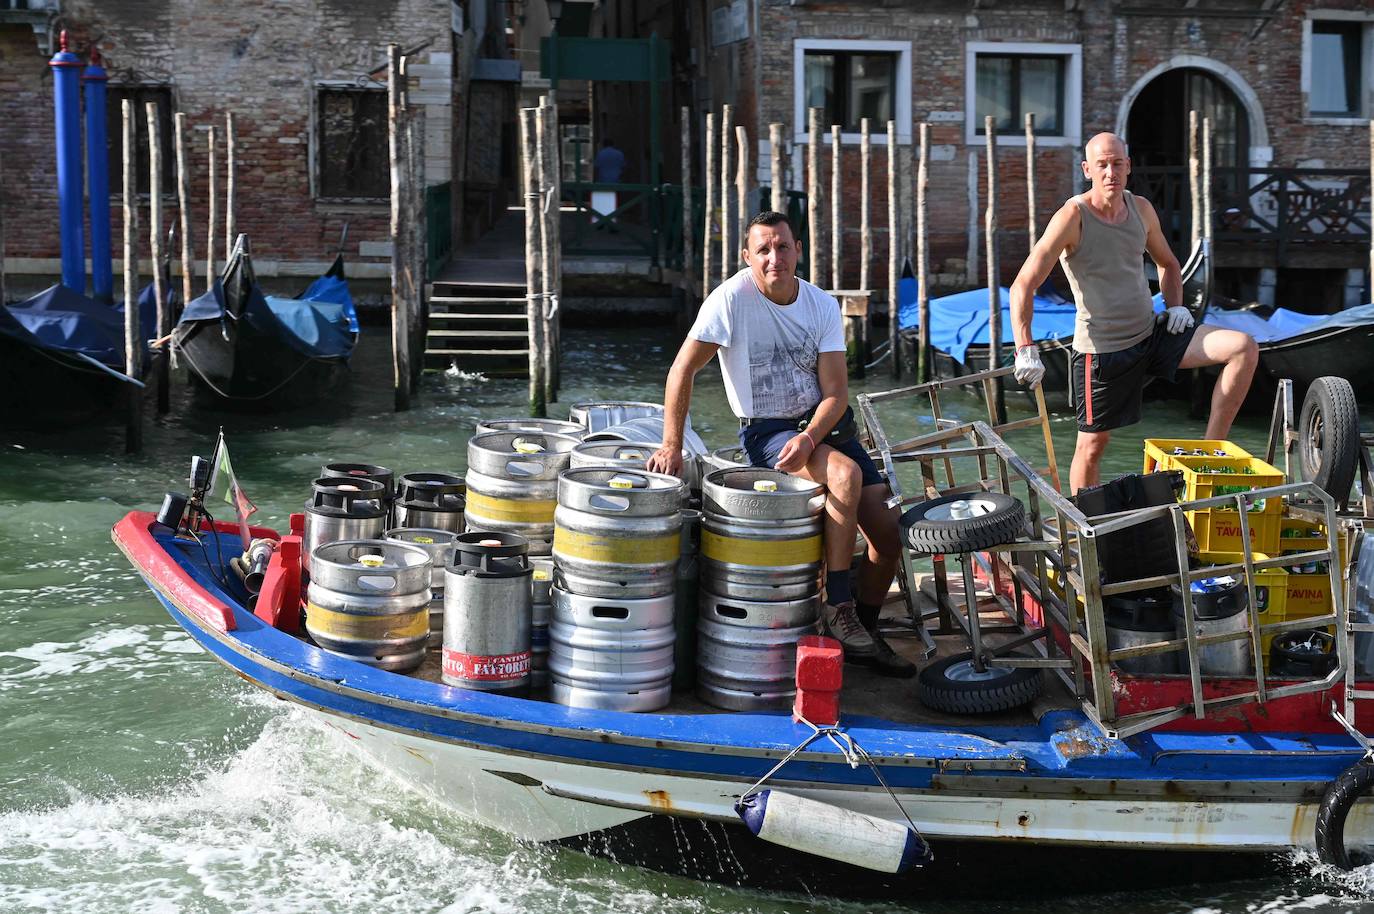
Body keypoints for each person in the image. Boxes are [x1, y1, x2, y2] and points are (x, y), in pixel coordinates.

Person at [648, 211, 913, 676]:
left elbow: (836, 393)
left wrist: (812, 437)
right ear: (747, 256)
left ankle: (863, 636)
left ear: (798, 250)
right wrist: (671, 443)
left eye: (783, 247)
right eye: (764, 250)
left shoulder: (821, 305)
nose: (775, 258)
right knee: (844, 475)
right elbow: (681, 371)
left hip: (825, 425)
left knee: (889, 534)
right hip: (767, 429)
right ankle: (839, 603)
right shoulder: (729, 300)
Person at [1009, 132, 1258, 494]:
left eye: (1117, 163)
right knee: (1093, 446)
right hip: (1102, 351)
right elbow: (1022, 285)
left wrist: (1175, 307)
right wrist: (1024, 347)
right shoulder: (1072, 217)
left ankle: (1210, 454)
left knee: (1243, 348)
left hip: (1151, 334)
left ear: (1128, 166)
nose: (1111, 171)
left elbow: (1170, 264)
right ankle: (1086, 526)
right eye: (1102, 165)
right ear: (1087, 170)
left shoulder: (1140, 208)